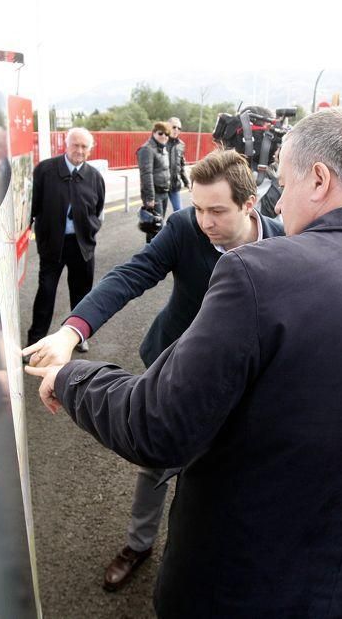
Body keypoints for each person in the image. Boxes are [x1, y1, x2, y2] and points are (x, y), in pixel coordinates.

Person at [27, 108, 342, 617]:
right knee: (153, 480)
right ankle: (138, 542)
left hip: (230, 583)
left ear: (319, 179)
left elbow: (159, 427)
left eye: (283, 184)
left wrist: (72, 377)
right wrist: (73, 330)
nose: (280, 200)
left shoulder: (264, 268)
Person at [23, 149, 284, 592]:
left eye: (216, 211)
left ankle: (210, 554)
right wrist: (70, 333)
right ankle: (139, 544)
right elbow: (131, 274)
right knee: (156, 461)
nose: (204, 221)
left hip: (243, 382)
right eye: (198, 208)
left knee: (223, 471)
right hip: (174, 365)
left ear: (249, 204)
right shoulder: (185, 228)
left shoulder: (285, 243)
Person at [26, 127, 105, 349]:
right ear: (66, 144)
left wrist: (90, 229)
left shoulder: (94, 177)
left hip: (82, 245)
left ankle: (78, 337)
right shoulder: (45, 170)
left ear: (90, 149)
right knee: (46, 292)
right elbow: (33, 206)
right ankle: (35, 340)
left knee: (82, 294)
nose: (79, 150)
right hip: (53, 245)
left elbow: (97, 208)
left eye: (84, 147)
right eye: (75, 145)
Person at [137, 121, 171, 241]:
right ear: (154, 133)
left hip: (164, 192)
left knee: (156, 225)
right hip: (155, 194)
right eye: (160, 133)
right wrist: (150, 197)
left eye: (167, 134)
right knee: (155, 227)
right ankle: (152, 255)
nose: (164, 136)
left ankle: (152, 252)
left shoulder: (162, 148)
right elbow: (146, 174)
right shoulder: (147, 149)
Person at [166, 116, 190, 212]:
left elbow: (181, 166)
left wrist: (187, 182)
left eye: (179, 128)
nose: (176, 130)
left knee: (179, 212)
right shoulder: (160, 141)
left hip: (175, 185)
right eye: (174, 127)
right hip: (161, 186)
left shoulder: (181, 145)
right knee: (158, 215)